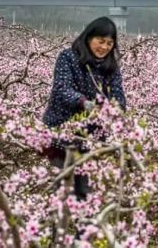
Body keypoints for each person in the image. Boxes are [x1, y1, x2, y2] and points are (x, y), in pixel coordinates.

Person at [43, 16, 126, 200]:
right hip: (61, 133)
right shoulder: (68, 57)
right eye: (101, 41)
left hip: (92, 138)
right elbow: (62, 88)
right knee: (62, 188)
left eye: (110, 43)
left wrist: (114, 111)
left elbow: (119, 98)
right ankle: (58, 226)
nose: (104, 47)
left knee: (86, 192)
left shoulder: (111, 66)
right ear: (89, 38)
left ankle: (85, 228)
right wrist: (84, 103)